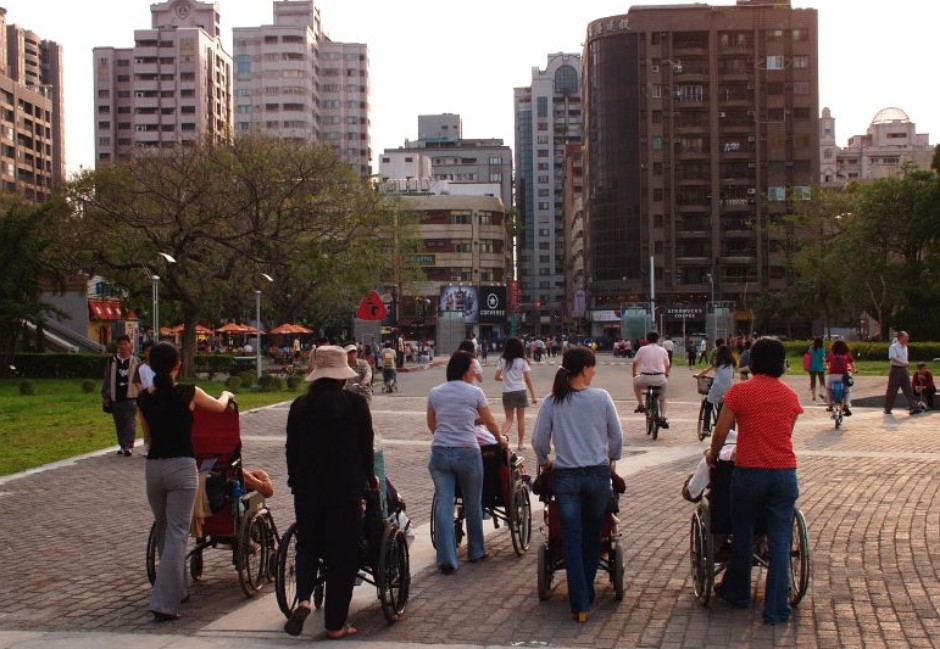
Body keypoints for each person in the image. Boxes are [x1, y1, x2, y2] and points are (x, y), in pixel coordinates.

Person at [706, 338, 803, 625]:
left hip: (749, 471)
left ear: (754, 361)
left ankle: (738, 592)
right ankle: (776, 608)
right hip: (784, 472)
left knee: (743, 531)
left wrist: (713, 455)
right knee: (780, 538)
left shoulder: (740, 392)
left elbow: (721, 431)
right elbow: (786, 433)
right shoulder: (790, 396)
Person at [137, 342, 234, 622]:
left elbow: (149, 438)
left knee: (164, 530)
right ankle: (165, 602)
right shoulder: (188, 392)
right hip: (181, 466)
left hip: (154, 468)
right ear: (177, 365)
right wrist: (227, 393)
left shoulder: (144, 398)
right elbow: (218, 408)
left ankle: (177, 589)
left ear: (151, 366)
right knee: (178, 533)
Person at [284, 346, 375, 639]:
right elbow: (365, 446)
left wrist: (294, 480)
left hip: (307, 490)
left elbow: (291, 450)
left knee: (308, 546)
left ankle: (305, 599)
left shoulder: (299, 406)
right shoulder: (356, 406)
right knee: (342, 555)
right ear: (341, 377)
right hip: (345, 489)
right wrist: (369, 478)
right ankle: (336, 624)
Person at [532, 346, 624, 622]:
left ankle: (580, 602)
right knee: (594, 534)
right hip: (597, 475)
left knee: (571, 537)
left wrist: (545, 460)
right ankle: (585, 594)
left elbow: (539, 441)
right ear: (584, 368)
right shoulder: (602, 398)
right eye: (593, 367)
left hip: (566, 476)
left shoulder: (552, 401)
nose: (594, 371)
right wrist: (611, 458)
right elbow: (617, 438)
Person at [427, 351, 506, 574]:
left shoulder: (435, 392)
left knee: (445, 503)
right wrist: (500, 440)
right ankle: (476, 550)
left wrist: (444, 438)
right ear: (464, 370)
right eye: (473, 368)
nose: (475, 372)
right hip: (468, 453)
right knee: (472, 503)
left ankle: (447, 559)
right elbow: (490, 422)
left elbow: (432, 423)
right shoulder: (474, 392)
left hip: (440, 453)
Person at [102, 335, 141, 457]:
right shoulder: (112, 361)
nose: (122, 346)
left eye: (125, 344)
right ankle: (122, 445)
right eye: (120, 344)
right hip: (116, 396)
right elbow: (107, 378)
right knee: (119, 422)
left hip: (131, 396)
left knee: (129, 421)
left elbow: (139, 379)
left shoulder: (135, 361)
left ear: (130, 345)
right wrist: (106, 396)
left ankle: (129, 446)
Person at [496, 337, 538, 449]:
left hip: (507, 391)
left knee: (508, 419)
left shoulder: (502, 360)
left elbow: (496, 377)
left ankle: (499, 438)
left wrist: (503, 378)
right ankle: (520, 444)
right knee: (521, 419)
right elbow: (528, 379)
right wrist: (533, 396)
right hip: (520, 390)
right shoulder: (522, 360)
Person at [694, 345, 736, 436]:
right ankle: (727, 426)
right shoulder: (732, 362)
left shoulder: (717, 362)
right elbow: (731, 376)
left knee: (708, 403)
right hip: (730, 387)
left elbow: (706, 370)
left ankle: (706, 428)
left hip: (718, 386)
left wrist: (698, 375)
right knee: (724, 403)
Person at [632, 331, 671, 428]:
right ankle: (663, 417)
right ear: (658, 339)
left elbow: (635, 363)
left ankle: (641, 404)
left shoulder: (642, 349)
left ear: (647, 340)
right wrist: (666, 374)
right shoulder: (663, 350)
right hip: (660, 378)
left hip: (645, 377)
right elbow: (667, 365)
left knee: (636, 383)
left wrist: (634, 373)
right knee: (662, 398)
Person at [884, 331, 916, 415]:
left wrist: (906, 363)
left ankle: (913, 407)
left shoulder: (905, 347)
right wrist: (903, 362)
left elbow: (905, 358)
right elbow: (892, 358)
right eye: (906, 336)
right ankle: (888, 408)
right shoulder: (893, 346)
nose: (907, 338)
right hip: (895, 370)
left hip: (904, 370)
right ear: (900, 337)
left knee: (908, 388)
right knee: (892, 390)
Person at [824, 339, 855, 415]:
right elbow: (852, 364)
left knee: (828, 389)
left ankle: (830, 404)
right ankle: (846, 405)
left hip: (832, 376)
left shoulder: (831, 354)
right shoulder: (846, 354)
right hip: (843, 376)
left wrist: (827, 367)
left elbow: (825, 362)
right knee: (847, 391)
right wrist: (853, 371)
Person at [807, 337, 826, 401]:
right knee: (822, 381)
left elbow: (808, 354)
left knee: (813, 381)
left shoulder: (811, 348)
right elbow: (823, 358)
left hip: (812, 367)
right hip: (820, 367)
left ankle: (813, 396)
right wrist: (825, 364)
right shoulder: (822, 349)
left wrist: (812, 344)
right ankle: (821, 393)